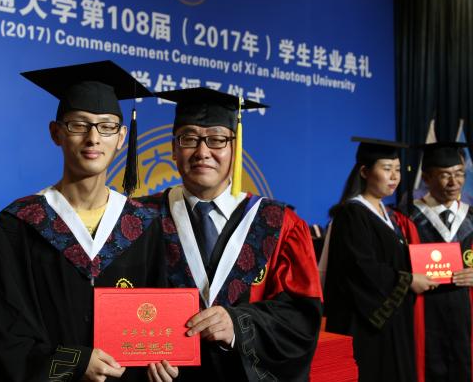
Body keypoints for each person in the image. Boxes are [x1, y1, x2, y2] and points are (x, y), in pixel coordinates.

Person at [0, 60, 176, 382]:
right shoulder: (19, 224)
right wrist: (72, 363)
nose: (93, 138)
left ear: (122, 137)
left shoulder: (143, 224)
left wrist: (164, 358)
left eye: (106, 126)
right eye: (79, 125)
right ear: (56, 133)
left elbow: (159, 314)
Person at [140, 87, 323, 381]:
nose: (202, 152)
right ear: (173, 149)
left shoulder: (278, 223)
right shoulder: (141, 218)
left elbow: (301, 318)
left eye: (217, 139)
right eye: (189, 139)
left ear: (235, 149)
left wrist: (239, 324)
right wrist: (142, 356)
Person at [324, 137, 437, 382]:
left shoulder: (390, 216)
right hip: (365, 323)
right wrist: (407, 281)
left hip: (392, 320)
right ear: (365, 172)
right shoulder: (352, 213)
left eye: (397, 169)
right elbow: (359, 268)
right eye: (387, 169)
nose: (394, 177)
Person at [404, 142, 473, 382]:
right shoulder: (406, 217)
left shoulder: (471, 216)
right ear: (426, 178)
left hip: (465, 312)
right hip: (424, 310)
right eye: (445, 175)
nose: (454, 182)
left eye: (459, 174)